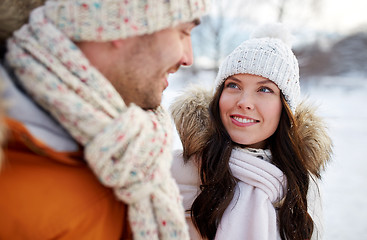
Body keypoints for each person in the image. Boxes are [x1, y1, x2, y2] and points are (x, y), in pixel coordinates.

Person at [0, 0, 210, 239]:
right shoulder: (11, 185)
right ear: (123, 23)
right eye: (183, 32)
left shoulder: (137, 151)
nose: (188, 58)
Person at [170, 24, 333, 240]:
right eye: (233, 86)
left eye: (264, 89)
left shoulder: (302, 184)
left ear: (285, 108)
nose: (244, 102)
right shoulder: (173, 171)